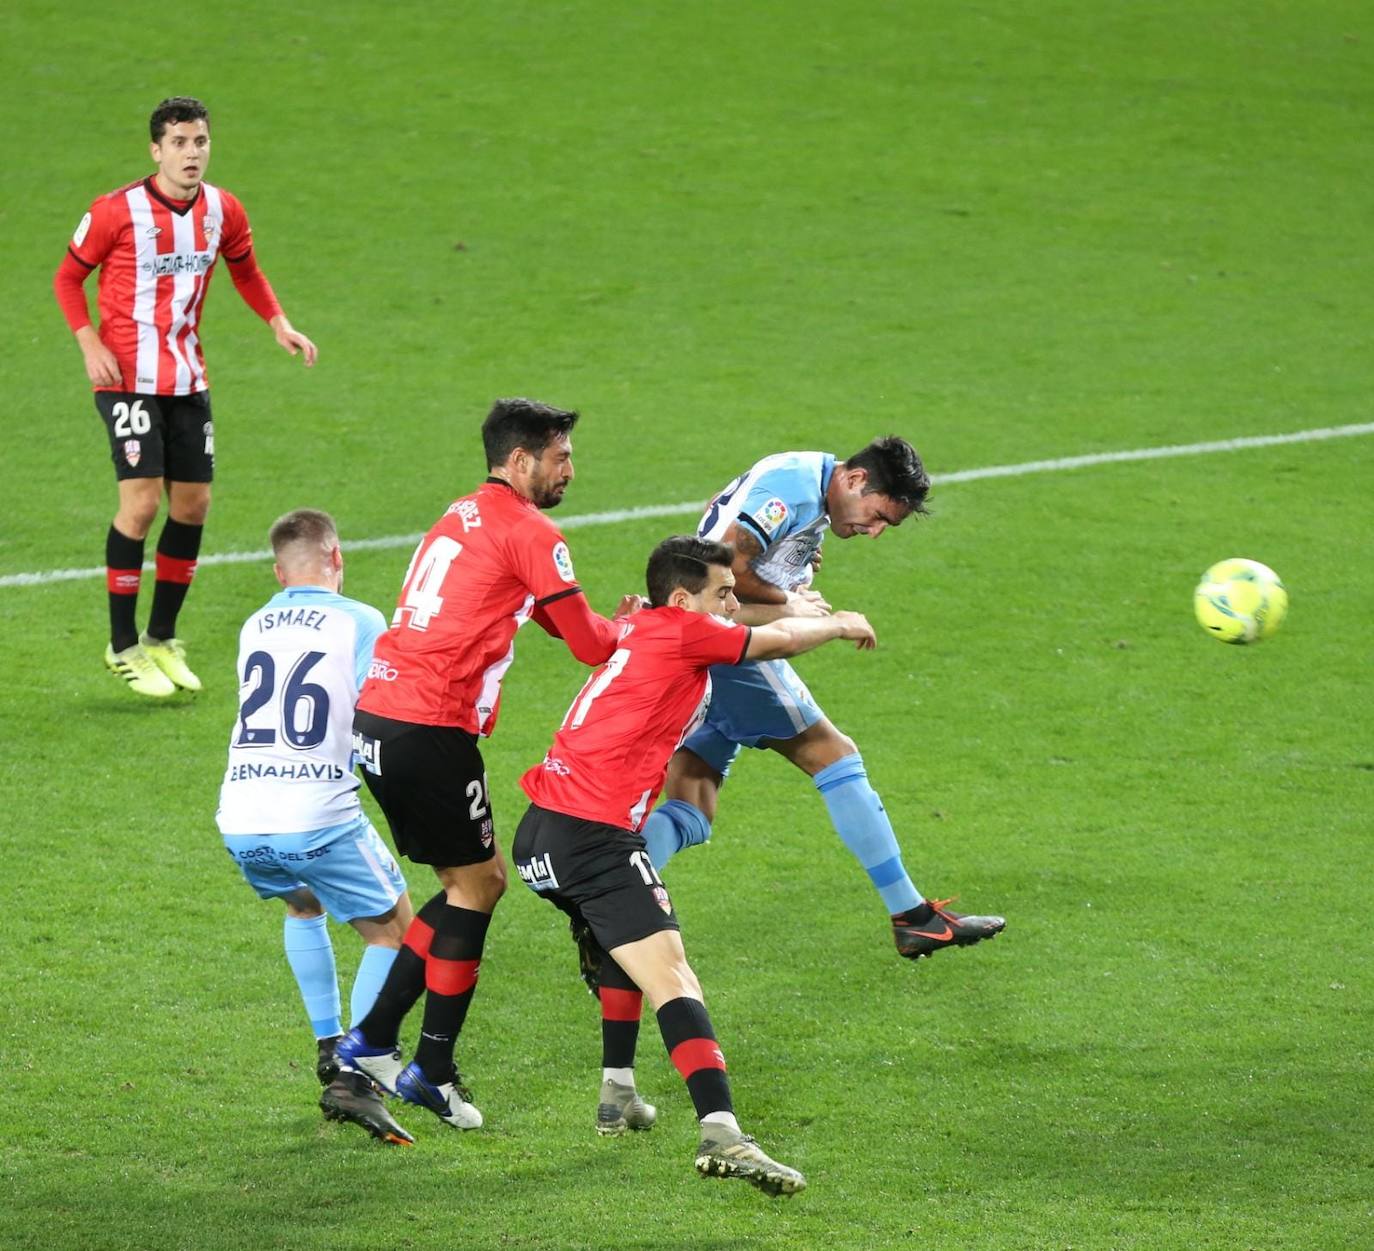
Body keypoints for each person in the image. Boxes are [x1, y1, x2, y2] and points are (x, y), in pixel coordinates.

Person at [513, 535, 879, 1196]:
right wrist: (838, 622)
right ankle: (722, 1133)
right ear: (683, 600)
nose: (734, 604)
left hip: (541, 833)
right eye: (723, 594)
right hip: (591, 838)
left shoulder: (642, 622)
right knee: (674, 973)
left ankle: (617, 1092)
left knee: (629, 948)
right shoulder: (684, 632)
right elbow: (779, 643)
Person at [335, 398, 638, 1136]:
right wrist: (629, 625)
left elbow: (508, 599)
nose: (570, 468)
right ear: (520, 459)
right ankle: (426, 1067)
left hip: (380, 714)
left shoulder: (463, 513)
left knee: (466, 883)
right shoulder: (533, 529)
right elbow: (590, 644)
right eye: (560, 456)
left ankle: (375, 1044)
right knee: (479, 885)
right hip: (428, 722)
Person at [639, 438, 1005, 960]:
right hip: (726, 647)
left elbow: (718, 522)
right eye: (877, 516)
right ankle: (912, 917)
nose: (874, 531)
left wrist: (794, 562)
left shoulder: (804, 480)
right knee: (835, 756)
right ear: (855, 481)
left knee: (692, 797)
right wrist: (793, 602)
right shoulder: (791, 489)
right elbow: (728, 566)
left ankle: (609, 901)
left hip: (693, 646)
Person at [54, 96, 318, 700]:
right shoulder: (114, 212)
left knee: (193, 506)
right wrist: (88, 340)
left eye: (199, 141)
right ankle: (122, 647)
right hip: (125, 377)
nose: (191, 152)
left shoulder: (223, 209)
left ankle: (161, 639)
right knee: (142, 505)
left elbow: (245, 268)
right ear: (156, 150)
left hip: (187, 378)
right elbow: (68, 277)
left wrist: (277, 322)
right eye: (179, 142)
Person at [216, 509, 414, 1146]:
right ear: (337, 557)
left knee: (304, 908)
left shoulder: (254, 623)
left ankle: (330, 1043)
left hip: (242, 814)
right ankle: (354, 1076)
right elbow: (372, 718)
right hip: (316, 811)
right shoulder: (360, 620)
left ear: (279, 572)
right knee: (395, 930)